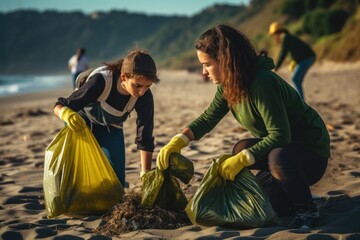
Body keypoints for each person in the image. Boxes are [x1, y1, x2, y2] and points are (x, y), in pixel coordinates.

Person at [156, 24, 330, 229]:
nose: (204, 72)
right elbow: (208, 118)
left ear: (224, 59)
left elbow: (280, 135)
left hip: (310, 153)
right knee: (245, 156)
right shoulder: (229, 84)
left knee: (274, 157)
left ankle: (308, 210)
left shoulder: (262, 82)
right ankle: (296, 195)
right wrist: (178, 141)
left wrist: (243, 160)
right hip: (285, 150)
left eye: (207, 64)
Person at [55, 49, 160, 187]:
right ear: (124, 77)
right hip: (80, 122)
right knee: (70, 175)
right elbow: (60, 105)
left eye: (148, 86)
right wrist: (66, 115)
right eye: (137, 85)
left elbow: (145, 136)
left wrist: (145, 173)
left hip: (111, 126)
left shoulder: (144, 96)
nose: (142, 91)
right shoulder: (101, 81)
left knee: (117, 184)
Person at [269, 21, 316, 100]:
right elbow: (297, 51)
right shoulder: (287, 37)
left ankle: (301, 101)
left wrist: (276, 68)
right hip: (307, 57)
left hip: (307, 58)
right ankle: (300, 100)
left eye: (274, 35)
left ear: (277, 33)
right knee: (297, 79)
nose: (274, 37)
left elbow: (283, 54)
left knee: (295, 78)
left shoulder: (285, 38)